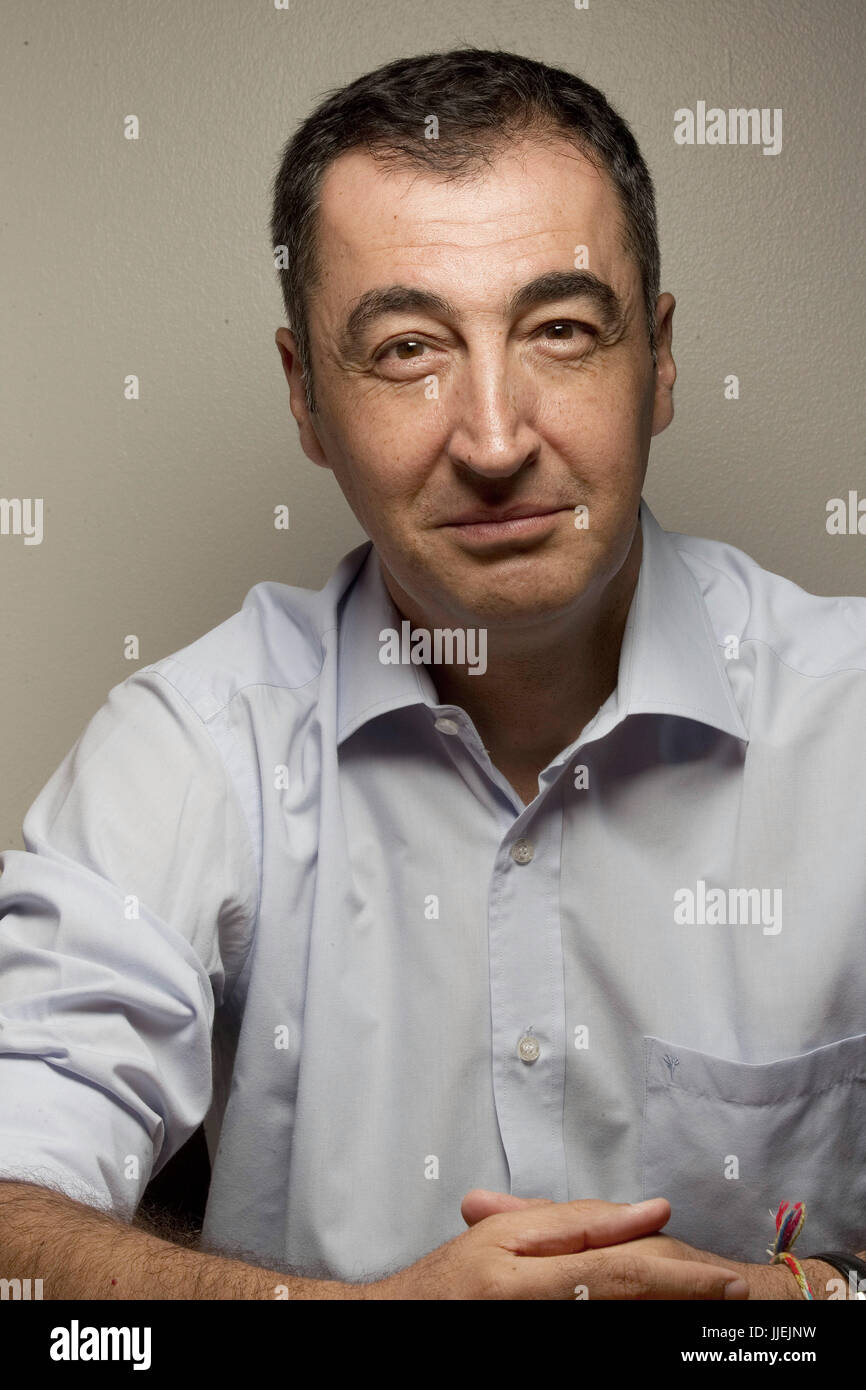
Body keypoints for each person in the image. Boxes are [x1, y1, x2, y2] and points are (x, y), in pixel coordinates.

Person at [1, 47, 864, 1302]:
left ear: (659, 360)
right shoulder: (190, 745)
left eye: (560, 331)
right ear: (306, 399)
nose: (497, 439)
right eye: (408, 349)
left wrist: (804, 1305)